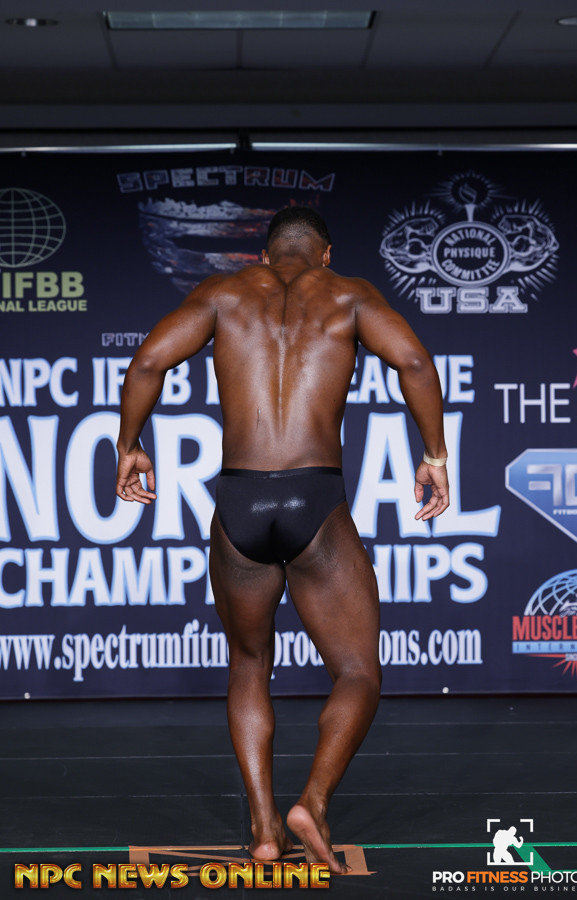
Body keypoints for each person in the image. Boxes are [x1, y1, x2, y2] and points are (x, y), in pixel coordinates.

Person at [116, 206, 449, 875]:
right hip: (314, 499)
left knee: (248, 665)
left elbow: (149, 360)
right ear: (326, 254)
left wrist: (129, 446)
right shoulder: (349, 294)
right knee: (357, 672)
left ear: (264, 255)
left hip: (239, 500)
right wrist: (435, 456)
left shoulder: (223, 293)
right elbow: (413, 359)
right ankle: (313, 803)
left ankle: (265, 829)